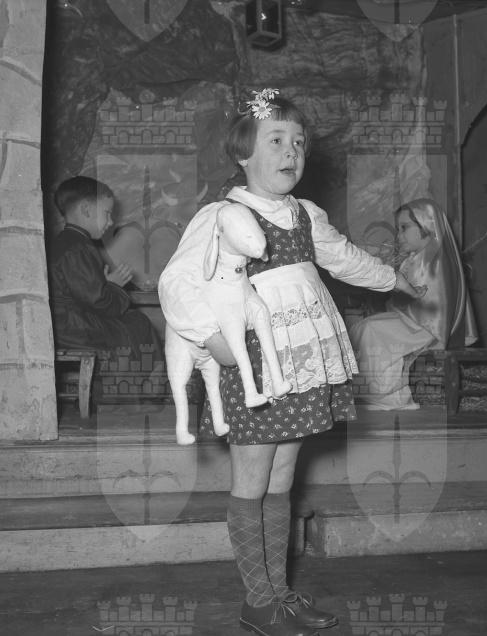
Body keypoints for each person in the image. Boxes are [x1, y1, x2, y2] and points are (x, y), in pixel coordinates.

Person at [158, 89, 424, 636]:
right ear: (243, 154)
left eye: (298, 143)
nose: (291, 152)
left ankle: (278, 594)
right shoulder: (222, 216)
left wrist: (391, 278)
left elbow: (343, 256)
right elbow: (176, 282)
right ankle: (258, 602)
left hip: (301, 362)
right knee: (253, 479)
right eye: (276, 140)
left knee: (282, 477)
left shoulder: (305, 215)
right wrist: (211, 338)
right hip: (256, 364)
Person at [348, 198, 477, 411]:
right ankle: (381, 394)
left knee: (370, 329)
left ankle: (384, 395)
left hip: (427, 329)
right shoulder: (417, 258)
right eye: (398, 229)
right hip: (413, 322)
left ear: (427, 225)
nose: (398, 235)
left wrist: (397, 298)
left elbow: (432, 309)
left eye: (404, 228)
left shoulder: (434, 261)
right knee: (363, 327)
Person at [48, 175, 162, 362]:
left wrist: (105, 284)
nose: (110, 222)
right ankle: (147, 380)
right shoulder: (78, 247)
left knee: (133, 322)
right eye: (107, 213)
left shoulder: (66, 242)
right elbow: (100, 302)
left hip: (66, 326)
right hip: (74, 329)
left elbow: (84, 293)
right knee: (138, 323)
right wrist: (114, 286)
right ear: (86, 210)